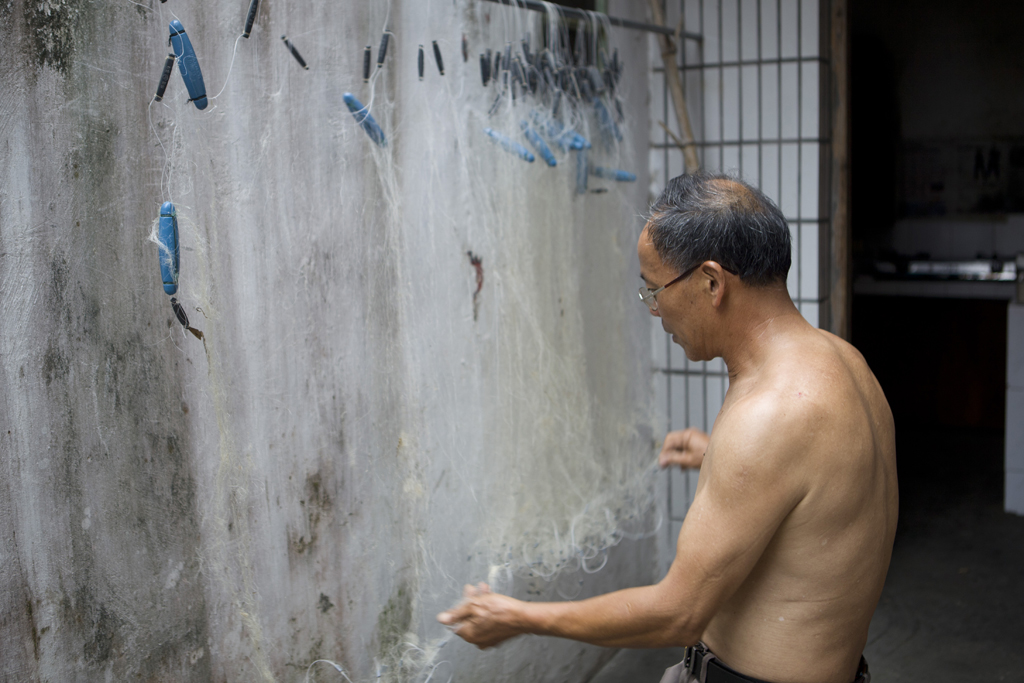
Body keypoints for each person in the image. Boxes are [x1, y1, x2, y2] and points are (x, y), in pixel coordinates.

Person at [438, 173, 897, 683]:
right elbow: (820, 487)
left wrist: (519, 616)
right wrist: (716, 455)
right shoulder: (846, 363)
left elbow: (678, 611)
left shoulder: (770, 417)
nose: (654, 308)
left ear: (711, 282)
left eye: (655, 289)